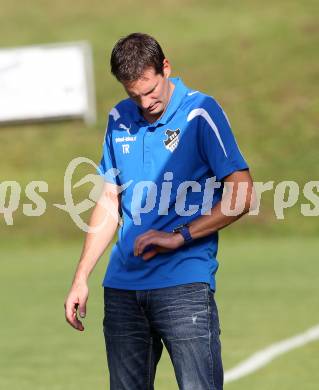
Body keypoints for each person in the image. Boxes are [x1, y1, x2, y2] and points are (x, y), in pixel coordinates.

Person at [64, 32, 255, 390]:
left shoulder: (200, 112)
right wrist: (81, 277)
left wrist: (177, 237)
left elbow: (242, 195)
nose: (145, 102)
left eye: (150, 91)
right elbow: (109, 200)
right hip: (122, 289)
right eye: (133, 94)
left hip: (183, 285)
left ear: (165, 68)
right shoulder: (119, 117)